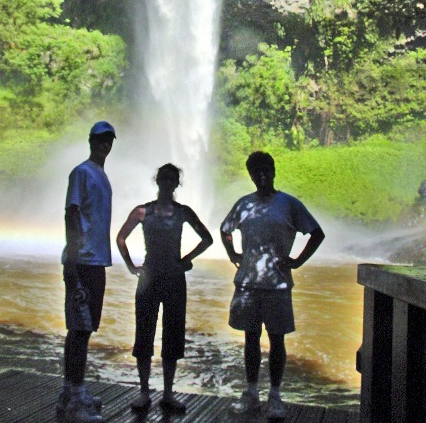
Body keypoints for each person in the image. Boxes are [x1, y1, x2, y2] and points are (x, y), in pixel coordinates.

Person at [220, 151, 325, 419]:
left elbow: (317, 233)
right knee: (250, 339)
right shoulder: (244, 204)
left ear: (274, 171)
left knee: (277, 340)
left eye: (265, 169)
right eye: (256, 171)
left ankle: (275, 396)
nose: (261, 175)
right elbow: (225, 229)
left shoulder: (289, 204)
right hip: (248, 283)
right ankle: (251, 392)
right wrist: (232, 254)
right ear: (251, 175)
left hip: (277, 284)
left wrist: (298, 261)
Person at [117, 163, 213, 413]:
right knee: (144, 334)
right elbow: (120, 237)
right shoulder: (142, 211)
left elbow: (208, 239)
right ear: (157, 181)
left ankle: (168, 393)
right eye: (164, 178)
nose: (168, 183)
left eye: (172, 179)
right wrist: (131, 266)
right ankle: (144, 392)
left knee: (173, 336)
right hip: (149, 279)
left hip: (173, 280)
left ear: (176, 183)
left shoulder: (183, 212)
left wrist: (186, 260)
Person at [56, 121, 116, 423]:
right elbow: (71, 213)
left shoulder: (102, 176)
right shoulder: (81, 172)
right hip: (83, 262)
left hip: (97, 262)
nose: (105, 144)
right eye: (100, 139)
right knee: (79, 329)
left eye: (109, 140)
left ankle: (71, 393)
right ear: (91, 141)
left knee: (84, 328)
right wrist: (72, 260)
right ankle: (75, 401)